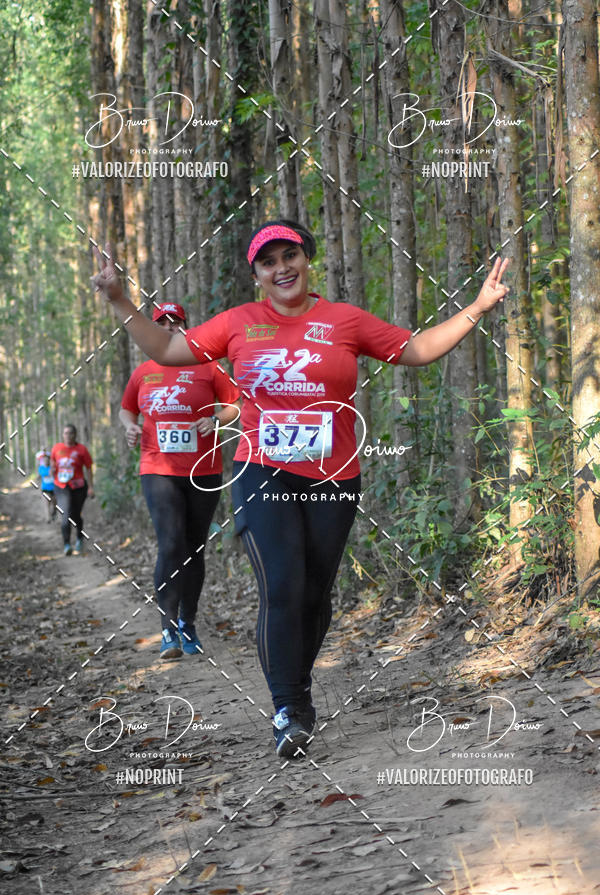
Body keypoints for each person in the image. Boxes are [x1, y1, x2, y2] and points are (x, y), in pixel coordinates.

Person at [92, 221, 509, 758]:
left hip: (334, 476)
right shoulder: (239, 324)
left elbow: (417, 349)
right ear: (257, 275)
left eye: (290, 256)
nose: (281, 268)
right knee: (283, 587)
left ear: (307, 260)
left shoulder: (344, 320)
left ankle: (297, 684)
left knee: (315, 594)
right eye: (269, 262)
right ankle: (289, 706)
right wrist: (119, 300)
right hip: (262, 469)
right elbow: (169, 351)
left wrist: (477, 307)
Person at [119, 301, 241, 661]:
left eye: (177, 323)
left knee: (194, 547)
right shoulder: (144, 372)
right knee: (170, 542)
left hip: (204, 468)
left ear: (187, 328)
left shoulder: (207, 366)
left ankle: (188, 622)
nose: (170, 328)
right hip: (157, 468)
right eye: (163, 323)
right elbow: (127, 408)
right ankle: (168, 629)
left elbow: (235, 402)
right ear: (155, 329)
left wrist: (217, 419)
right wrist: (129, 427)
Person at [51, 424, 94, 555]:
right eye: (65, 433)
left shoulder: (81, 449)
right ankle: (67, 544)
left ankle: (80, 539)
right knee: (65, 516)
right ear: (62, 435)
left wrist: (91, 487)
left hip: (79, 487)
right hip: (61, 487)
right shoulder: (57, 448)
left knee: (75, 515)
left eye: (70, 433)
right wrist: (53, 472)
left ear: (75, 435)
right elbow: (53, 464)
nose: (68, 436)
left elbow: (89, 468)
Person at [36, 448, 57, 522]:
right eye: (44, 460)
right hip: (45, 489)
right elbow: (41, 475)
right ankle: (48, 518)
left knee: (54, 504)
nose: (45, 461)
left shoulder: (53, 467)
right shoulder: (41, 468)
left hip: (54, 489)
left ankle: (54, 513)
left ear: (49, 460)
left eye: (47, 459)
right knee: (46, 503)